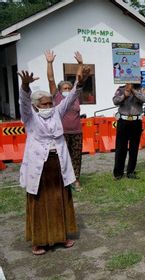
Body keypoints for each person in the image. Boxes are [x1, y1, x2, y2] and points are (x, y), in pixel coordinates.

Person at [18, 62, 89, 256]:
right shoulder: (30, 117)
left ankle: (62, 235)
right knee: (40, 201)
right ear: (36, 106)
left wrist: (80, 83)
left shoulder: (57, 112)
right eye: (44, 104)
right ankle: (39, 240)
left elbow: (71, 97)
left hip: (57, 164)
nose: (49, 106)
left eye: (50, 103)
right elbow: (23, 103)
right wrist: (25, 87)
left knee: (61, 199)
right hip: (38, 167)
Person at [45, 50, 84, 191]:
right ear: (60, 90)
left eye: (69, 88)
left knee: (76, 157)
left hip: (77, 132)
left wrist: (80, 64)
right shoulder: (57, 97)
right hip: (61, 133)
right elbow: (51, 79)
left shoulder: (74, 97)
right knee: (62, 157)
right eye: (65, 88)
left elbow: (79, 80)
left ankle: (76, 180)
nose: (67, 89)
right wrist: (49, 63)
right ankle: (63, 181)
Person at [112, 82, 145, 180]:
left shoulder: (142, 89)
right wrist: (124, 95)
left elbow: (144, 99)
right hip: (123, 121)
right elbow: (115, 101)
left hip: (136, 121)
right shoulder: (121, 88)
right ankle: (118, 173)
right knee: (120, 147)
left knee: (134, 148)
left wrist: (133, 91)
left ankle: (130, 171)